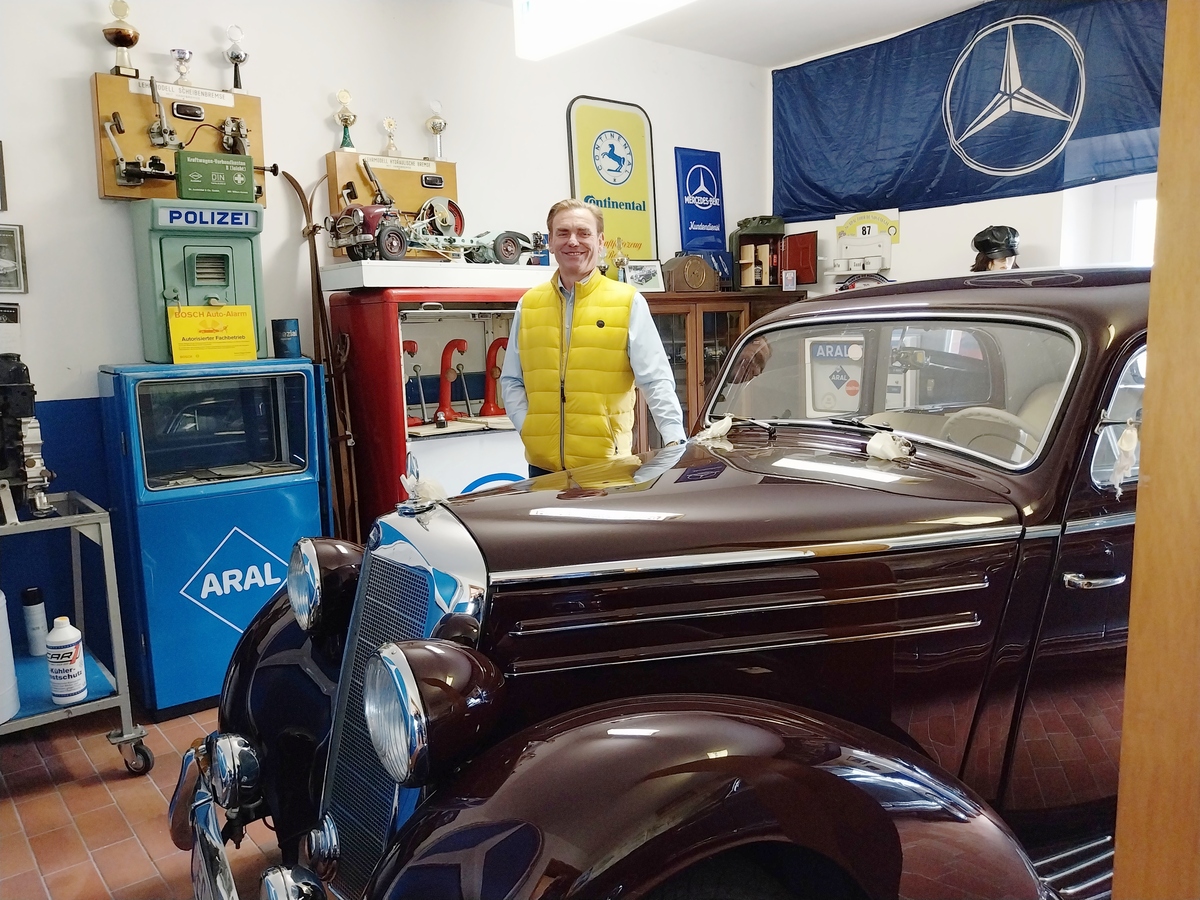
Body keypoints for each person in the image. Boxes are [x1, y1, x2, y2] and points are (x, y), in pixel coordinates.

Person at [500, 198, 686, 477]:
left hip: (607, 468)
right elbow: (512, 380)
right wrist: (529, 428)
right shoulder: (529, 304)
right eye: (563, 233)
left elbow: (655, 380)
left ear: (601, 242)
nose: (573, 241)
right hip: (542, 471)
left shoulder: (628, 302)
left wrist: (674, 441)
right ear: (550, 242)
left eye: (583, 233)